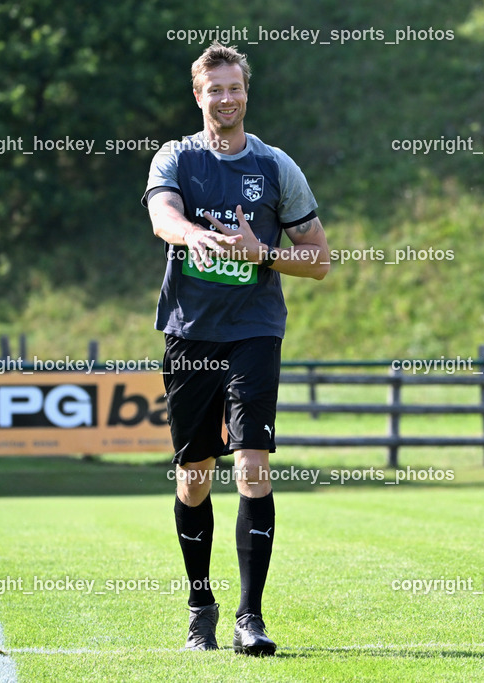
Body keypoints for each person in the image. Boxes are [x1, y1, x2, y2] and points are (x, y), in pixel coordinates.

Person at [141, 42, 329, 656]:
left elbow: (319, 260)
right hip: (190, 332)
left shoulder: (277, 168)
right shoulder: (176, 157)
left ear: (247, 93)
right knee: (194, 479)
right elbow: (163, 216)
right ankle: (202, 603)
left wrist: (262, 254)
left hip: (254, 331)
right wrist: (193, 235)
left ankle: (251, 615)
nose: (226, 98)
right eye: (214, 89)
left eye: (234, 88)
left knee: (252, 467)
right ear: (198, 96)